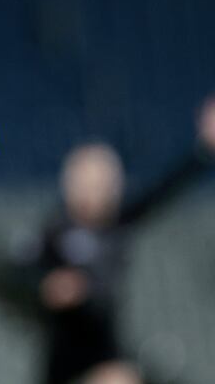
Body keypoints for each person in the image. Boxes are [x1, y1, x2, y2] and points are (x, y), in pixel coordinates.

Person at [26, 98, 215, 384]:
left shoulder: (119, 223)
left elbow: (166, 187)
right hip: (62, 353)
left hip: (103, 348)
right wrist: (49, 284)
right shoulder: (57, 229)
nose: (92, 192)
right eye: (85, 183)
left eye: (100, 183)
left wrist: (204, 150)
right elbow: (23, 268)